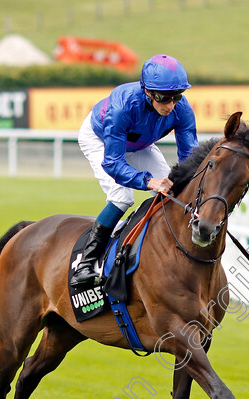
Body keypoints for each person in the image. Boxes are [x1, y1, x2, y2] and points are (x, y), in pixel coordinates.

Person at [71, 54, 199, 287]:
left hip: (140, 145)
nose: (170, 105)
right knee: (122, 197)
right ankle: (85, 265)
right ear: (148, 92)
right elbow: (113, 163)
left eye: (177, 97)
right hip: (100, 139)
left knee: (172, 193)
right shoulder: (122, 107)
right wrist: (149, 181)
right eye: (163, 98)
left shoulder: (181, 109)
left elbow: (190, 158)